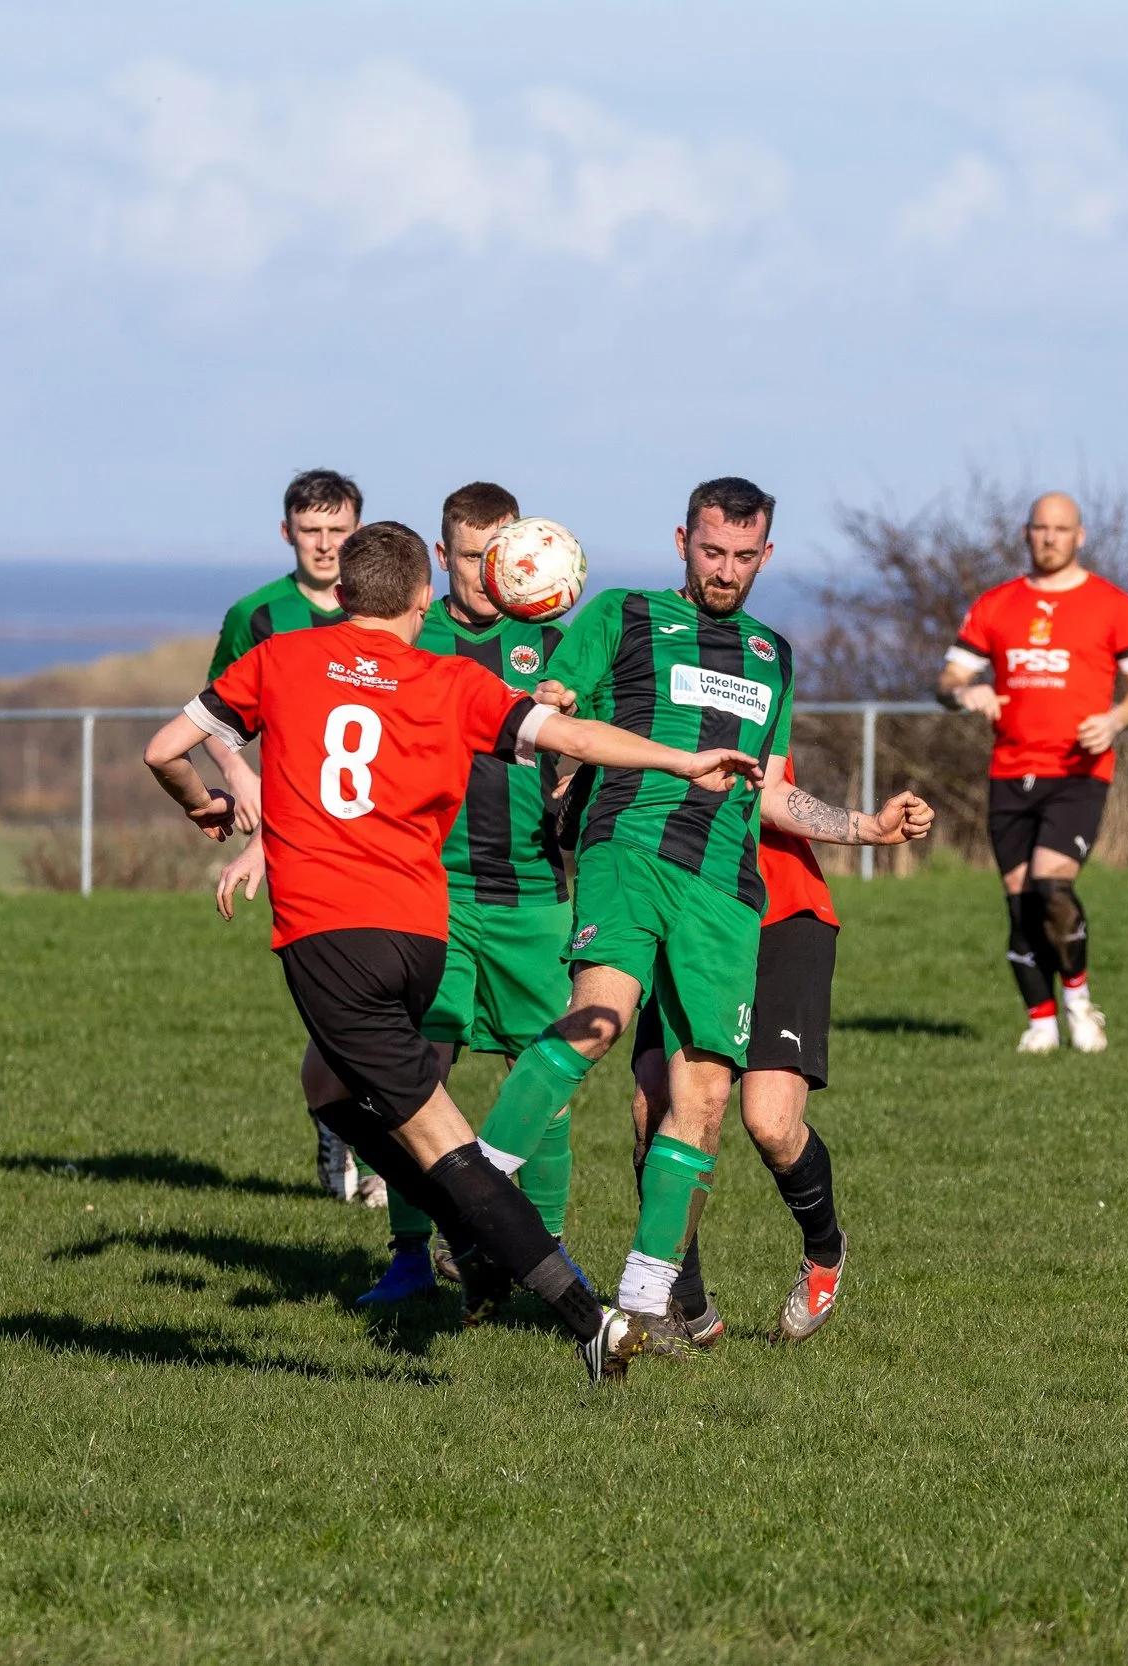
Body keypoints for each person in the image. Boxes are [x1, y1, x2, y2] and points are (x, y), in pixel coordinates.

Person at [147, 520, 759, 1382]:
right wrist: (680, 759)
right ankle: (477, 1234)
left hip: (333, 937)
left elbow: (163, 748)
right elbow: (575, 740)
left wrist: (204, 804)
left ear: (343, 593)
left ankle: (581, 1314)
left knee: (441, 1140)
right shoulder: (448, 678)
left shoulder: (282, 657)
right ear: (423, 596)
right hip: (419, 932)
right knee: (327, 1084)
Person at [471, 477, 932, 1349]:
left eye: (742, 556)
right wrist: (558, 709)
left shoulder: (772, 654)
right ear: (683, 538)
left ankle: (645, 1304)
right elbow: (558, 707)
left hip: (726, 887)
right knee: (599, 1018)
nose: (724, 570)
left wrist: (866, 827)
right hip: (629, 848)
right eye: (711, 551)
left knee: (707, 1093)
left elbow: (773, 794)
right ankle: (477, 1190)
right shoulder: (622, 615)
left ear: (767, 554)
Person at [339, 481, 582, 1304]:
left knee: (541, 1077)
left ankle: (542, 1260)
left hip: (531, 896)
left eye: (506, 555)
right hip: (428, 893)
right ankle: (411, 1256)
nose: (491, 573)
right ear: (444, 558)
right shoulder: (410, 635)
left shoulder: (552, 643)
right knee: (414, 1078)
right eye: (475, 557)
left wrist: (574, 760)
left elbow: (593, 747)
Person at [631, 752, 879, 1344]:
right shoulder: (630, 682)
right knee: (654, 1104)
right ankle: (679, 1294)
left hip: (780, 914)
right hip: (681, 911)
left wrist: (866, 828)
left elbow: (769, 792)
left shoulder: (751, 669)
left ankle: (825, 1250)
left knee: (770, 1123)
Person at [203, 470, 374, 1206]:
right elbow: (211, 718)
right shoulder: (258, 615)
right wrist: (241, 778)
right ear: (287, 534)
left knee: (391, 1001)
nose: (327, 545)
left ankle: (372, 1150)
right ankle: (340, 1121)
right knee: (340, 998)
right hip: (299, 836)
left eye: (339, 531)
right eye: (313, 531)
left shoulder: (387, 608)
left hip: (384, 830)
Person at [937, 491, 1128, 1053]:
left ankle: (1079, 999)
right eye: (1041, 528)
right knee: (1019, 903)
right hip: (1010, 772)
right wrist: (968, 692)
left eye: (1061, 529)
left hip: (1078, 772)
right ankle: (1040, 1022)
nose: (1050, 537)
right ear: (1026, 533)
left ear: (1079, 535)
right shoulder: (996, 605)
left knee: (1051, 887)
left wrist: (1115, 719)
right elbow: (947, 680)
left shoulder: (1112, 604)